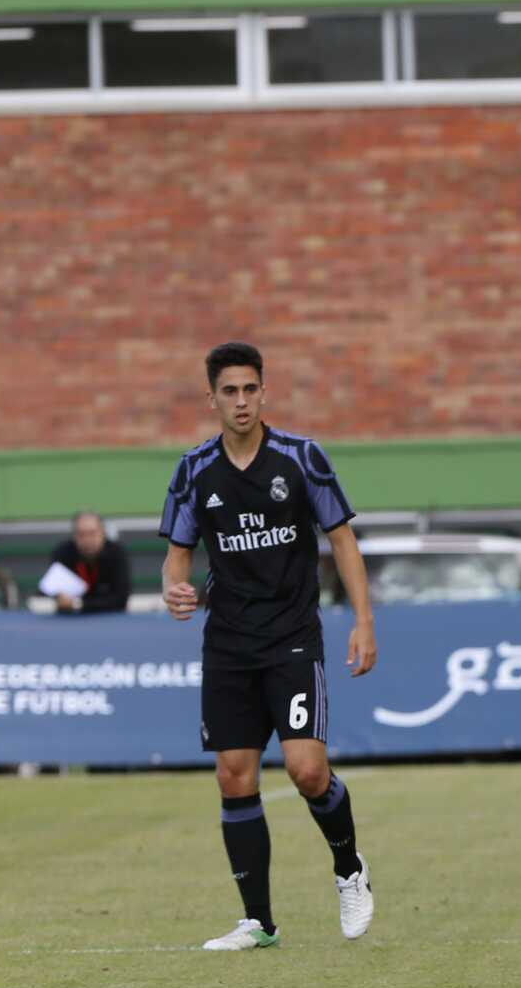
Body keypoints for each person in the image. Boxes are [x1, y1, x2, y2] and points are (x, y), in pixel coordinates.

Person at [159, 342, 377, 950]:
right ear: (212, 398)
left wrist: (363, 620)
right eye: (229, 391)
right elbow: (177, 557)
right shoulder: (194, 470)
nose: (241, 401)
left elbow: (342, 540)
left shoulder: (301, 458)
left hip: (292, 639)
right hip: (229, 645)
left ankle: (349, 869)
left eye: (250, 389)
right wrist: (174, 591)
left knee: (308, 770)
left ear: (263, 392)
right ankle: (259, 923)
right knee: (234, 776)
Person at [47, 510, 132, 614]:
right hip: (71, 619)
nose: (87, 540)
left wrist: (78, 603)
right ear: (74, 535)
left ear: (103, 533)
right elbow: (53, 592)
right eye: (81, 534)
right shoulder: (62, 554)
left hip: (110, 618)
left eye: (92, 533)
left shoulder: (117, 553)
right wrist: (61, 599)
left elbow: (121, 599)